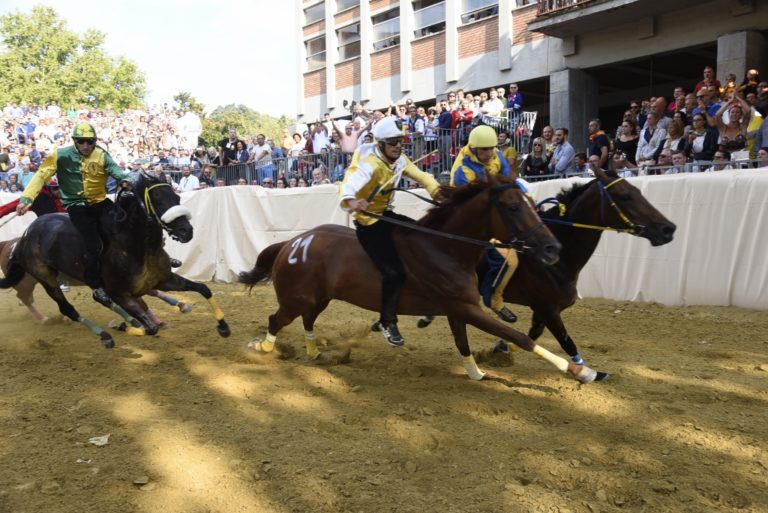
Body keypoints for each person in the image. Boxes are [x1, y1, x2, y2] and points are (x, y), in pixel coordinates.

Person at [340, 117, 442, 347]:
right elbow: (350, 184)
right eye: (393, 142)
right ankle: (387, 322)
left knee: (422, 235)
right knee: (393, 272)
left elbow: (423, 176)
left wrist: (436, 192)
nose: (399, 146)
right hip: (368, 223)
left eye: (401, 141)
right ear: (381, 144)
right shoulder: (370, 164)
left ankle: (426, 299)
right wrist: (353, 201)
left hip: (385, 216)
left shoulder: (399, 160)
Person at [14, 122, 131, 301]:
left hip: (100, 202)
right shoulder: (60, 155)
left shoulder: (101, 154)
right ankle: (95, 283)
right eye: (81, 141)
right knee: (94, 244)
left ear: (95, 141)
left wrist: (123, 179)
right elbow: (41, 175)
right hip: (77, 206)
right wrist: (26, 198)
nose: (86, 146)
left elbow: (115, 169)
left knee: (128, 224)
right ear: (74, 141)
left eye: (89, 142)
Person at [450, 125, 522, 324]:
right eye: (484, 150)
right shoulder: (462, 169)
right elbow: (476, 203)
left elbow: (509, 181)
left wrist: (526, 197)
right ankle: (494, 300)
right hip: (470, 218)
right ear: (473, 149)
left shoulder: (496, 154)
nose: (490, 153)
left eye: (492, 148)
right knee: (508, 261)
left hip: (490, 213)